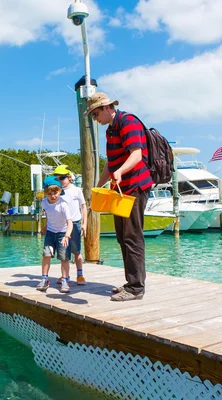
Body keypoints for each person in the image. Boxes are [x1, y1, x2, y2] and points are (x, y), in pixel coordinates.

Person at [88, 92, 153, 301]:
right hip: (120, 189)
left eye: (96, 114)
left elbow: (137, 154)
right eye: (92, 116)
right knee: (122, 237)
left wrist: (121, 172)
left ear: (107, 108)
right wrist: (98, 185)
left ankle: (136, 288)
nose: (95, 119)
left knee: (133, 237)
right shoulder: (110, 130)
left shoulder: (128, 122)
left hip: (134, 187)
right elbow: (110, 163)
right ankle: (131, 282)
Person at [37, 176, 73, 294]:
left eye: (56, 192)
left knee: (64, 258)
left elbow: (70, 222)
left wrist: (67, 236)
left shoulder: (63, 204)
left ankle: (65, 280)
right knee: (46, 255)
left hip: (62, 234)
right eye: (50, 193)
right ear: (46, 193)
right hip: (50, 233)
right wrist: (46, 226)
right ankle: (44, 279)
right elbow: (49, 215)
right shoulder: (44, 203)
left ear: (60, 191)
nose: (53, 196)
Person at [53, 165, 87, 286]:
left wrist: (84, 224)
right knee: (63, 253)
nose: (60, 181)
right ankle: (65, 275)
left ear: (69, 177)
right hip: (62, 226)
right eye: (57, 179)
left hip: (75, 223)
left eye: (62, 178)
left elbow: (83, 207)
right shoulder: (57, 191)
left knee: (76, 251)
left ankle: (80, 274)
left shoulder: (76, 190)